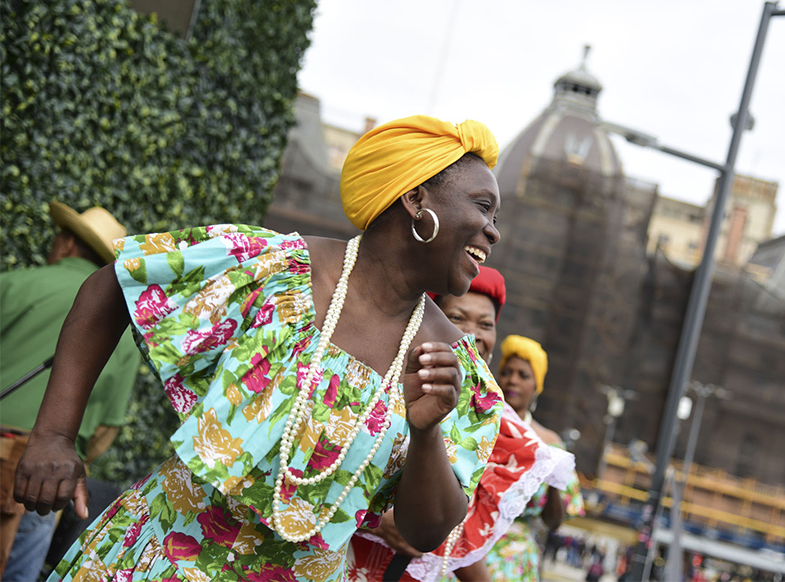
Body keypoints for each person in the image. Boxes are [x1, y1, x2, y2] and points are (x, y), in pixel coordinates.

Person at [13, 115, 507, 582]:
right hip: (155, 558)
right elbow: (115, 284)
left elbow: (428, 530)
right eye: (482, 206)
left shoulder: (455, 370)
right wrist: (54, 434)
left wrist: (426, 434)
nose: (493, 231)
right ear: (416, 198)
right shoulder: (274, 271)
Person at [347, 268, 575, 581]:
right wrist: (374, 518)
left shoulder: (501, 427)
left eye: (485, 324)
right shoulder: (375, 381)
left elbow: (461, 536)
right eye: (457, 318)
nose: (473, 334)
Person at [0, 202, 141, 581]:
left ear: (65, 244)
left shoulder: (14, 284)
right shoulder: (124, 334)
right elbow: (104, 431)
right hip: (41, 477)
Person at [483, 334, 586, 580]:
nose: (512, 380)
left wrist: (553, 483)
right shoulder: (478, 426)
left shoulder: (550, 443)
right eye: (507, 372)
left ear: (536, 386)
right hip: (464, 543)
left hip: (513, 564)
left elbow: (554, 522)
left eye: (523, 375)